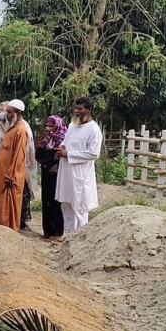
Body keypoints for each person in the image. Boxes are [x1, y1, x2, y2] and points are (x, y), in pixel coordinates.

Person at [56, 97, 102, 233]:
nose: (76, 111)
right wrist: (61, 148)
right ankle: (68, 237)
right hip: (66, 172)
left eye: (80, 109)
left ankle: (81, 239)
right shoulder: (72, 125)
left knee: (80, 208)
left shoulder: (94, 130)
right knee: (66, 205)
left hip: (80, 174)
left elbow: (94, 153)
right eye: (76, 108)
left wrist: (68, 154)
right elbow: (66, 141)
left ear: (89, 110)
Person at [0, 101, 38, 230]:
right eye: (7, 111)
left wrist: (11, 174)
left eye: (10, 112)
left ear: (19, 113)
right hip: (1, 172)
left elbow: (19, 156)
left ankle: (7, 230)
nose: (7, 114)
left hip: (9, 175)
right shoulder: (12, 127)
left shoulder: (21, 130)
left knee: (6, 205)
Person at [36, 115, 67, 240]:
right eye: (47, 126)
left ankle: (58, 232)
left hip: (57, 175)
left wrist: (57, 166)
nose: (48, 129)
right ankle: (48, 230)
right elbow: (38, 155)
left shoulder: (63, 141)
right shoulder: (46, 141)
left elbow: (62, 157)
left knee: (57, 202)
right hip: (46, 173)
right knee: (46, 200)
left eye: (51, 126)